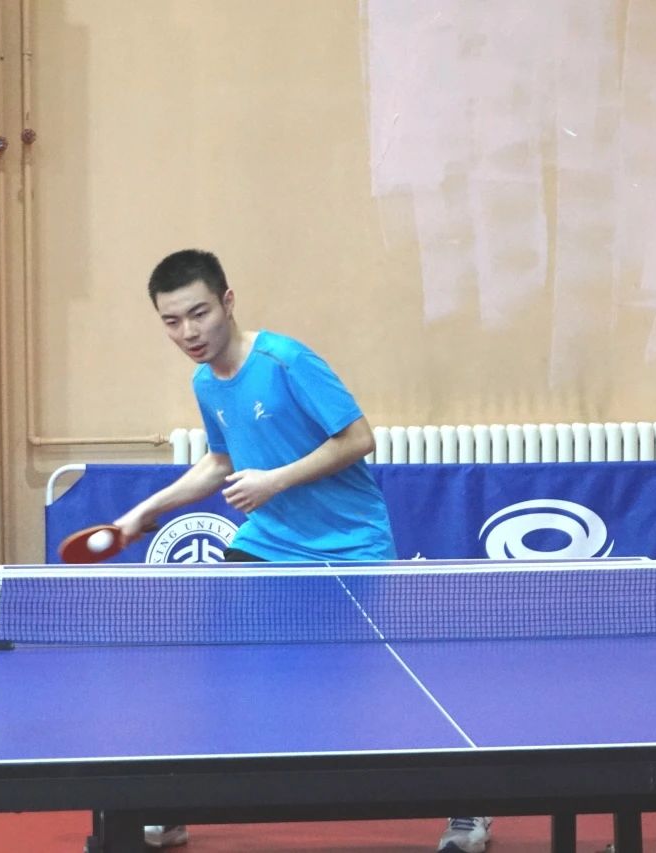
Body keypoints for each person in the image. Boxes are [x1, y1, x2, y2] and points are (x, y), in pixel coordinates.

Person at [114, 250, 491, 852]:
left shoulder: (286, 361)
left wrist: (275, 481)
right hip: (268, 543)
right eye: (172, 321)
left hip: (349, 545)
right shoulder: (205, 382)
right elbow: (220, 460)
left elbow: (359, 438)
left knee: (391, 683)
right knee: (220, 669)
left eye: (199, 313)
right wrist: (146, 510)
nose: (188, 332)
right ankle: (177, 803)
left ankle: (470, 805)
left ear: (228, 302)